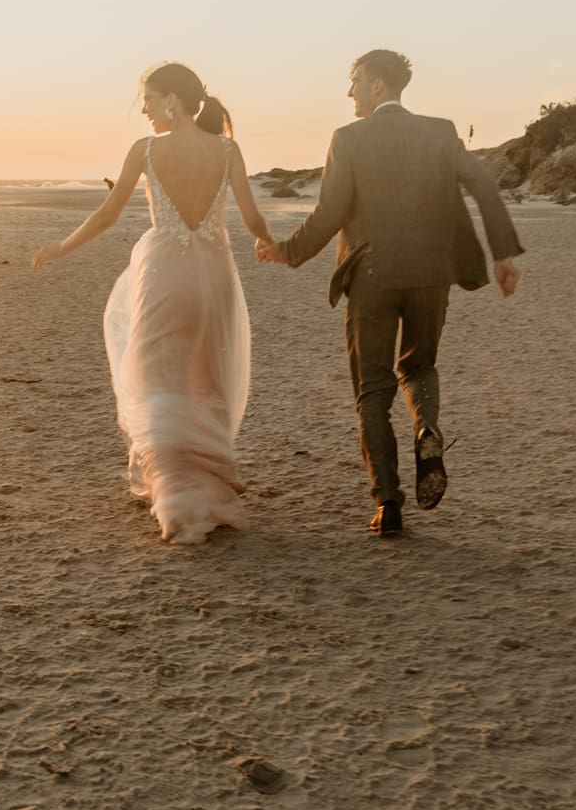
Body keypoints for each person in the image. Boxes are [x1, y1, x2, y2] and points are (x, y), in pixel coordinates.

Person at [259, 49, 523, 536]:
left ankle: (388, 504)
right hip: (431, 276)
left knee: (373, 390)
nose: (350, 91)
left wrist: (287, 251)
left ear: (378, 85)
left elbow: (331, 212)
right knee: (419, 366)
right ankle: (426, 428)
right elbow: (483, 186)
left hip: (372, 278)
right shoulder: (441, 131)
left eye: (355, 81)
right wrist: (502, 254)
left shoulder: (348, 139)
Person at [32, 63, 277, 544]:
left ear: (171, 100)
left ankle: (177, 495)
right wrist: (269, 244)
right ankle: (205, 480)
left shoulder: (146, 150)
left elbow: (107, 214)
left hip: (164, 274)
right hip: (214, 275)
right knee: (206, 375)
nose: (143, 109)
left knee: (156, 376)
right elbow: (251, 217)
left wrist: (62, 247)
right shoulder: (227, 149)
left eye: (147, 98)